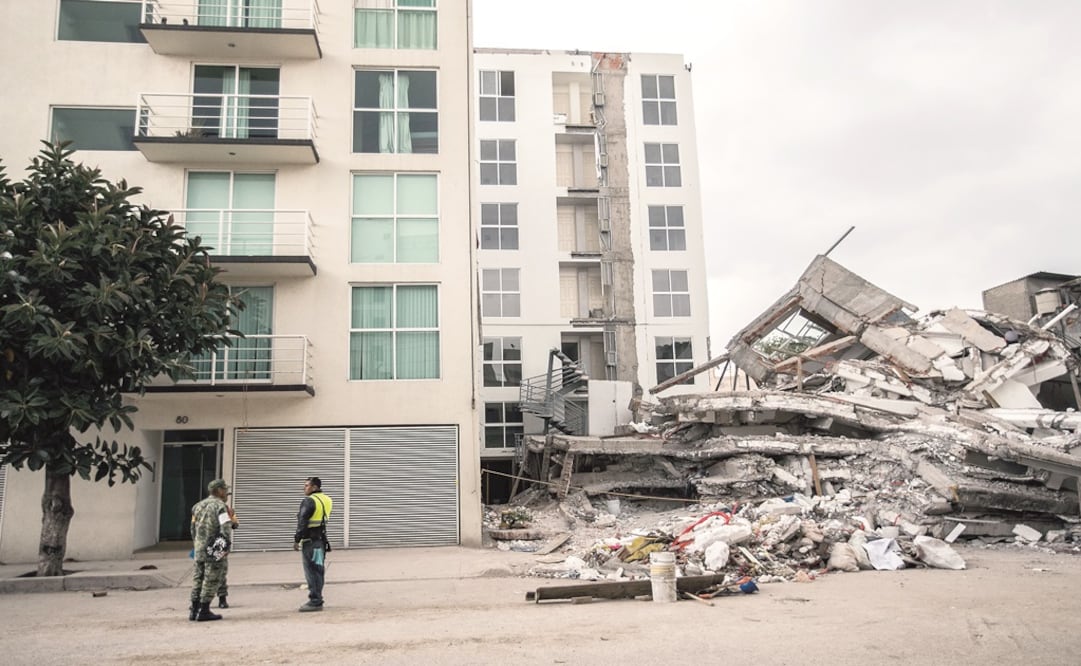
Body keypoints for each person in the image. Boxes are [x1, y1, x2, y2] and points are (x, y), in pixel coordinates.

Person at [189, 479, 233, 622]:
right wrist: (224, 548)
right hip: (214, 546)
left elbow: (192, 528)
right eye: (225, 490)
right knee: (211, 578)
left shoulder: (197, 506)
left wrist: (196, 544)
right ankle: (204, 610)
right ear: (219, 491)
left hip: (199, 547)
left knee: (198, 578)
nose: (226, 493)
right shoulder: (220, 507)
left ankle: (194, 609)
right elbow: (225, 528)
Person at [293, 476, 332, 612]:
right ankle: (318, 598)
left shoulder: (309, 501)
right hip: (320, 541)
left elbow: (302, 522)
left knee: (311, 571)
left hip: (310, 542)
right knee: (319, 571)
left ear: (315, 487)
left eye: (307, 485)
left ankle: (315, 601)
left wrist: (297, 539)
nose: (304, 488)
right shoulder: (327, 500)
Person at [217, 505, 239, 609]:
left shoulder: (199, 507)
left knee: (201, 573)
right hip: (219, 545)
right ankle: (222, 600)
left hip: (203, 545)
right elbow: (234, 525)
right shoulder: (224, 509)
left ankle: (196, 602)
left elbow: (193, 527)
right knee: (221, 572)